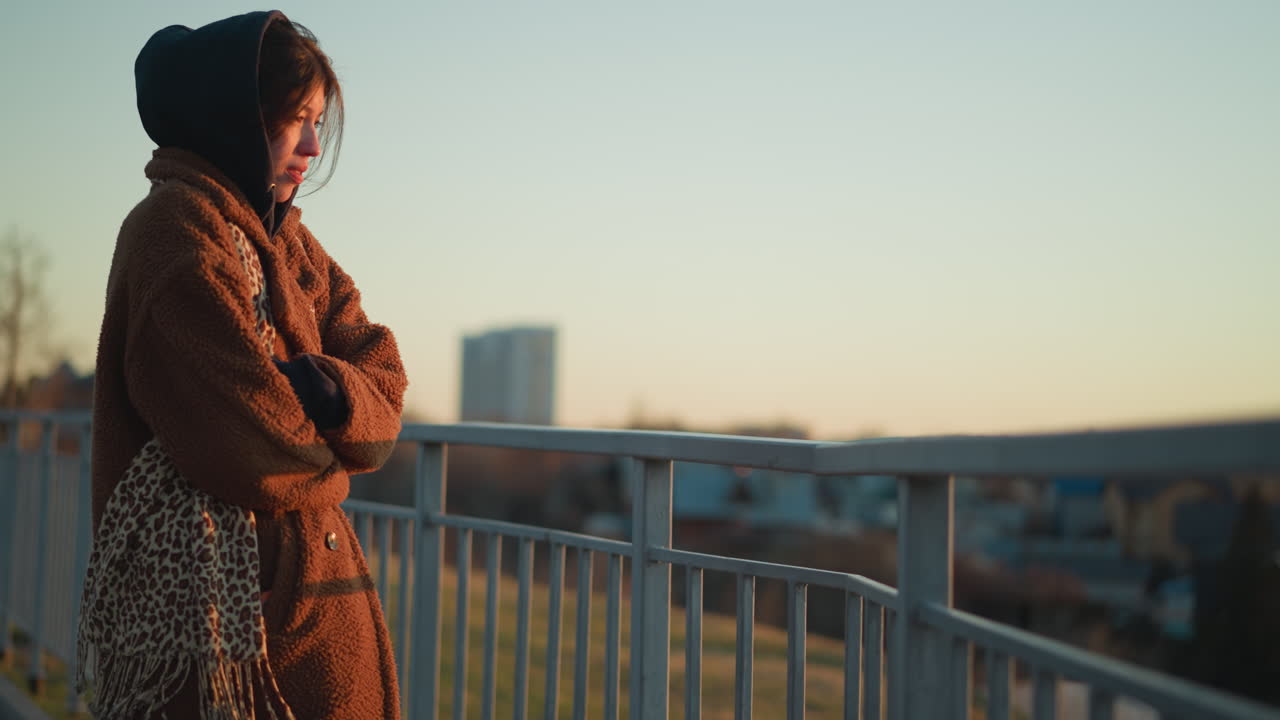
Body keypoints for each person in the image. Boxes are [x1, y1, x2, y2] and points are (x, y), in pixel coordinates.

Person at [77, 11, 407, 720]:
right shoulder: (174, 232)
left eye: (319, 122)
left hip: (286, 628)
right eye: (296, 120)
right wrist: (337, 452)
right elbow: (252, 448)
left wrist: (334, 394)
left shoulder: (293, 244)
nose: (314, 146)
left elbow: (384, 392)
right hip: (228, 641)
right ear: (235, 117)